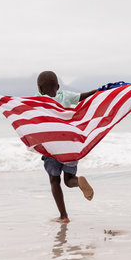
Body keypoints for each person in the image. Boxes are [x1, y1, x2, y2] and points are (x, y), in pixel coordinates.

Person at [36, 70, 96, 223]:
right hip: (70, 144)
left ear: (40, 90)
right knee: (69, 180)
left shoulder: (38, 100)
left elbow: (18, 106)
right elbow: (84, 96)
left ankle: (63, 216)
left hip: (51, 147)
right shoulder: (67, 96)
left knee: (54, 181)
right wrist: (100, 90)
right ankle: (78, 182)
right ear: (57, 86)